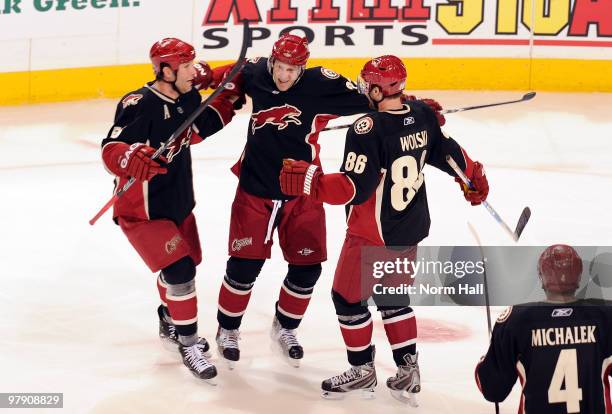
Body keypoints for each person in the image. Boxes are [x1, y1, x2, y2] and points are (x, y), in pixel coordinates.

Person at [211, 34, 447, 369]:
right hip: (255, 187)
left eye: (292, 69)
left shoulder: (322, 83)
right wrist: (206, 72)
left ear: (303, 67)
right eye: (280, 67)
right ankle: (228, 330)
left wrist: (412, 105)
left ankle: (285, 327)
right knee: (243, 267)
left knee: (307, 270)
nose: (284, 75)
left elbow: (374, 98)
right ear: (272, 62)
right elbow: (232, 72)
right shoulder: (257, 72)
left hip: (304, 191)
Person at [279, 55, 489, 403]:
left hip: (371, 233)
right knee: (394, 300)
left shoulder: (368, 128)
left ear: (378, 89)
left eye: (368, 84)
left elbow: (352, 187)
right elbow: (446, 150)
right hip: (409, 229)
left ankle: (362, 371)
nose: (363, 88)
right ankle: (409, 370)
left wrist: (310, 181)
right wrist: (471, 176)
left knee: (347, 300)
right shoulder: (421, 115)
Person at [100, 37, 242, 382]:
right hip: (143, 210)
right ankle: (189, 344)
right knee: (180, 271)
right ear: (166, 70)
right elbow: (111, 147)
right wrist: (128, 158)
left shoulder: (186, 94)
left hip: (177, 202)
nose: (194, 71)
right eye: (187, 65)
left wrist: (232, 89)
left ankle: (169, 318)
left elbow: (198, 127)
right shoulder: (140, 103)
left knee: (185, 265)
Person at [476, 244, 612, 413]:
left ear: (541, 277)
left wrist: (490, 358)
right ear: (579, 276)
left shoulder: (516, 320)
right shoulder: (605, 316)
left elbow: (493, 390)